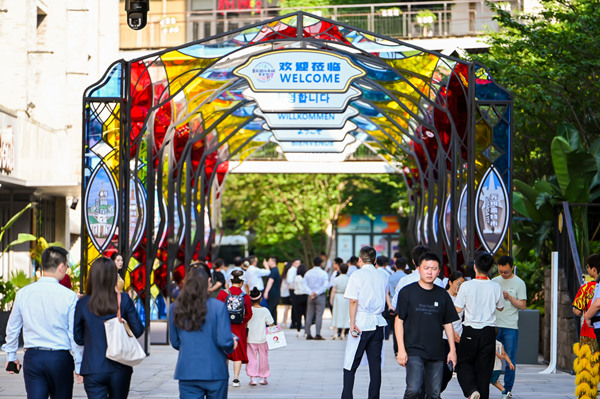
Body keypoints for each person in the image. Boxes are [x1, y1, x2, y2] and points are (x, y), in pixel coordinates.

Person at [2, 246, 83, 398]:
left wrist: (11, 356)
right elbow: (74, 333)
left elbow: (12, 327)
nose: (66, 268)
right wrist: (79, 364)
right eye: (66, 265)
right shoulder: (69, 296)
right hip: (60, 359)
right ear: (60, 267)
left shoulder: (23, 293)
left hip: (34, 359)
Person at [74, 256, 144, 398]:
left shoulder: (83, 303)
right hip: (120, 366)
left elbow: (78, 337)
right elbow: (138, 330)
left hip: (93, 367)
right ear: (113, 276)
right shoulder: (123, 299)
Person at [395, 252, 459, 399]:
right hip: (414, 349)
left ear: (438, 271)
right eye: (426, 268)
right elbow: (399, 321)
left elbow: (448, 323)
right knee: (414, 389)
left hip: (437, 351)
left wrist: (452, 350)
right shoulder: (407, 292)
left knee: (434, 394)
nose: (429, 272)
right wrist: (401, 349)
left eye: (433, 268)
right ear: (419, 269)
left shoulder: (442, 295)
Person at [169, 266, 237, 398]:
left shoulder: (175, 307)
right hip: (215, 370)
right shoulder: (218, 307)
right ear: (209, 282)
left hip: (187, 371)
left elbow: (175, 342)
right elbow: (224, 341)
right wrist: (231, 344)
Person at [454, 252, 505, 399]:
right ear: (490, 269)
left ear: (475, 266)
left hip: (470, 331)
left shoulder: (466, 286)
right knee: (484, 370)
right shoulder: (496, 287)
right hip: (489, 333)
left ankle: (471, 391)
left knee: (464, 364)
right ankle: (481, 395)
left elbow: (457, 309)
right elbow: (500, 307)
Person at [341, 246, 388, 399]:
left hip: (361, 322)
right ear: (375, 260)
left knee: (350, 363)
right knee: (375, 366)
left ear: (360, 259)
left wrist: (352, 323)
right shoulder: (383, 276)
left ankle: (347, 396)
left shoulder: (357, 275)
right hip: (378, 323)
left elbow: (353, 301)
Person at [492, 255, 527, 399]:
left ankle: (507, 389)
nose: (503, 274)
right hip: (494, 325)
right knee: (489, 356)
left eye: (505, 271)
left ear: (512, 267)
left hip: (510, 326)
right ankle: (488, 383)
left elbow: (523, 306)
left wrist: (510, 298)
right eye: (500, 271)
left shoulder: (519, 283)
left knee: (510, 359)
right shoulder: (494, 282)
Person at [216, 270, 253, 388]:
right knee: (238, 353)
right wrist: (242, 322)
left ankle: (224, 377)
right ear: (242, 282)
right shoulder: (245, 297)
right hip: (239, 327)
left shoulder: (222, 293)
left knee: (225, 352)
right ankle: (236, 378)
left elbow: (217, 310)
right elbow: (249, 314)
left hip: (224, 327)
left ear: (230, 281)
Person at [573, 254, 600, 399]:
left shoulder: (587, 288)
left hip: (589, 333)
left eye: (588, 267)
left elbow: (576, 310)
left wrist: (586, 314)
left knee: (587, 370)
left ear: (593, 270)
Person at [391, 245, 444, 311]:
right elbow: (443, 306)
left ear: (413, 261)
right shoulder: (438, 282)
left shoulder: (404, 281)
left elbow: (395, 304)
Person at [440, 271, 465, 394]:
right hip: (445, 338)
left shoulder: (463, 298)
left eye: (462, 285)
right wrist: (452, 333)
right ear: (450, 282)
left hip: (459, 338)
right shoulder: (444, 296)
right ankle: (434, 393)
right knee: (446, 371)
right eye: (458, 284)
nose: (459, 288)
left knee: (454, 370)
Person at [246, 288, 275, 386]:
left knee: (251, 358)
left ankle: (253, 378)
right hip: (262, 338)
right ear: (261, 299)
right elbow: (271, 323)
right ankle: (263, 377)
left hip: (250, 338)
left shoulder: (248, 309)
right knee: (264, 358)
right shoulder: (265, 310)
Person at [304, 256, 329, 340]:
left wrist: (311, 292)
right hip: (320, 295)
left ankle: (307, 333)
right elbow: (325, 285)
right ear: (321, 264)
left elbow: (304, 284)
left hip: (310, 295)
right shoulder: (323, 273)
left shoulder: (308, 273)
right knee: (319, 315)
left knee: (309, 314)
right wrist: (317, 292)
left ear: (313, 263)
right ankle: (317, 334)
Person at [331, 263, 351, 340]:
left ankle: (335, 333)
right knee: (345, 314)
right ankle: (342, 333)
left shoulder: (336, 279)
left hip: (337, 296)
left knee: (336, 314)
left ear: (339, 270)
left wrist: (331, 299)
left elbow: (333, 290)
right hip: (346, 297)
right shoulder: (349, 279)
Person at [263, 256, 281, 324]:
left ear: (273, 261)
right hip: (275, 293)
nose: (268, 262)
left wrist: (266, 292)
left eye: (269, 261)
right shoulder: (275, 270)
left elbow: (270, 281)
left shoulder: (274, 270)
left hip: (272, 294)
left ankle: (270, 326)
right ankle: (274, 327)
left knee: (270, 310)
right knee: (273, 311)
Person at [292, 264, 309, 337]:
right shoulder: (306, 278)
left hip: (297, 297)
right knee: (306, 314)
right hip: (305, 296)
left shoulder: (296, 278)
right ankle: (306, 331)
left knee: (298, 315)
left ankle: (298, 331)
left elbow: (294, 287)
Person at [286, 259, 301, 329]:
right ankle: (294, 322)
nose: (298, 265)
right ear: (293, 263)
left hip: (295, 289)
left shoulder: (295, 270)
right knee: (295, 306)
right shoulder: (292, 270)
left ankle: (295, 322)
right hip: (293, 289)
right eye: (296, 263)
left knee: (295, 306)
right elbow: (289, 280)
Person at [280, 261, 293, 328]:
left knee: (286, 308)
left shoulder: (283, 275)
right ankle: (284, 322)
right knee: (287, 308)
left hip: (283, 293)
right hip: (287, 293)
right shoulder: (288, 275)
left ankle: (284, 321)